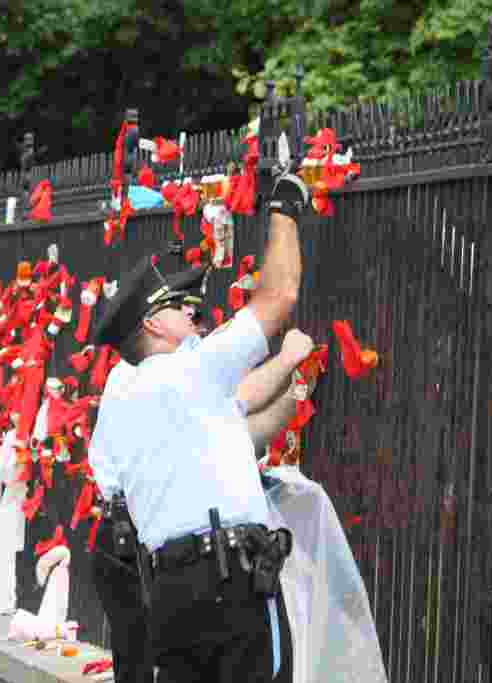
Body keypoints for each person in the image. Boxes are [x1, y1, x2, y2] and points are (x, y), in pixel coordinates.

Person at [89, 170, 312, 682]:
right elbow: (278, 297)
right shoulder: (187, 369)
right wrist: (284, 207)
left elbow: (236, 426)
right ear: (152, 324)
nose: (193, 313)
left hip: (173, 592)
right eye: (177, 306)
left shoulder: (133, 399)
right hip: (232, 580)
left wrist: (292, 382)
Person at [89, 327, 313, 683]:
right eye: (185, 312)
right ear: (153, 325)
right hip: (205, 566)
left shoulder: (161, 388)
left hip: (171, 570)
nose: (196, 324)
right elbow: (242, 401)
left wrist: (297, 391)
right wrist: (288, 359)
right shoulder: (158, 377)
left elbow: (243, 430)